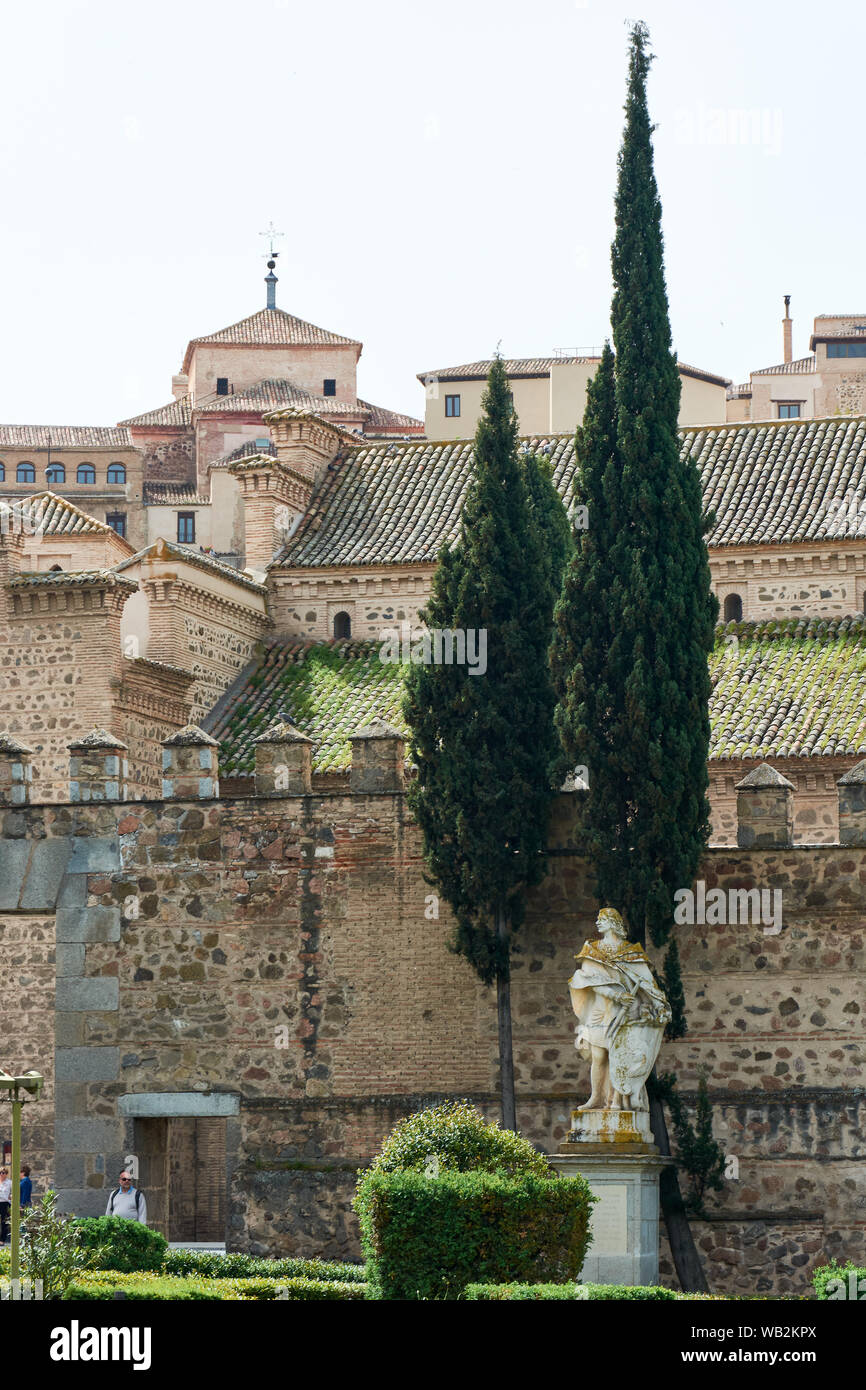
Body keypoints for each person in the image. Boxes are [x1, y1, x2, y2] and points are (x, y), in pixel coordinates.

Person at [0, 1168, 10, 1244]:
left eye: (3, 1173)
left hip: (5, 1203)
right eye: (0, 1172)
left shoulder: (9, 1182)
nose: (1, 1174)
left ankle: (2, 1239)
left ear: (6, 1174)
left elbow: (13, 1192)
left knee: (4, 1221)